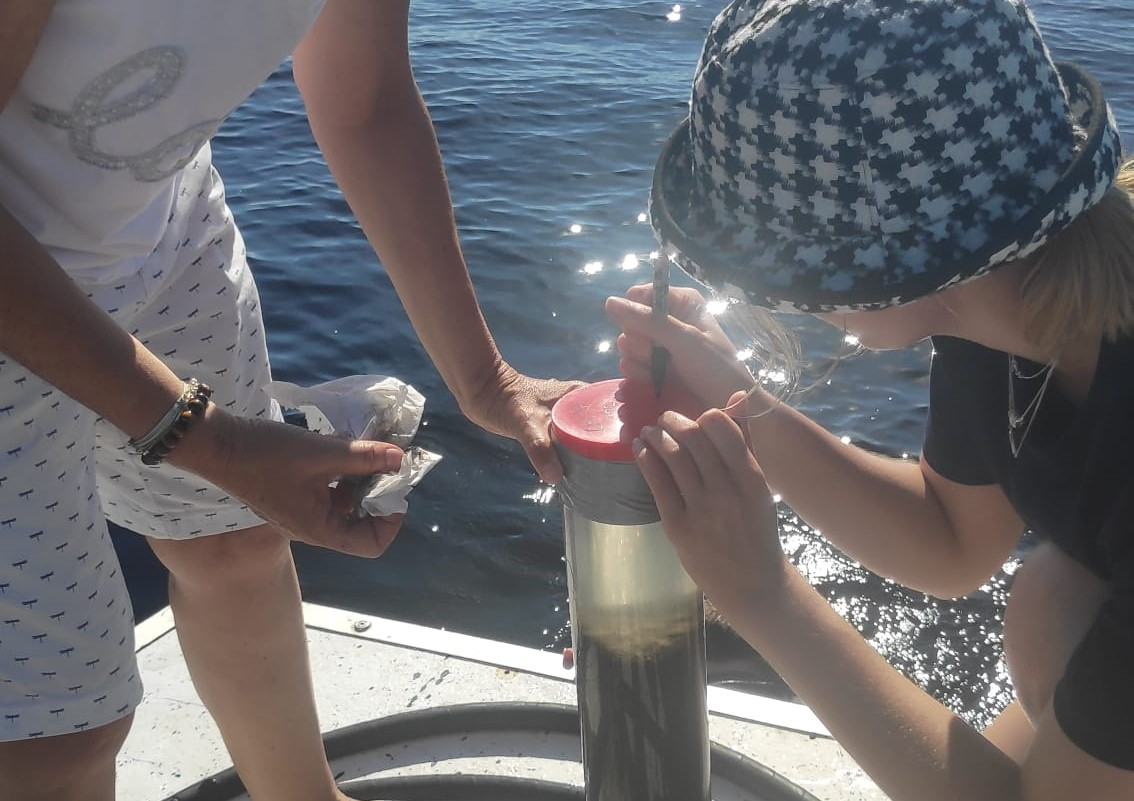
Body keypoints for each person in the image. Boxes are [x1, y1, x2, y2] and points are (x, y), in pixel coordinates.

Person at [0, 1, 575, 800]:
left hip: (159, 223)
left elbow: (365, 97)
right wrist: (220, 445)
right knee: (55, 736)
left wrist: (486, 380)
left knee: (237, 544)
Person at [605, 0, 1134, 798]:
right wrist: (737, 397)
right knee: (1054, 602)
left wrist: (762, 596)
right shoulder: (998, 282)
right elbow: (952, 542)